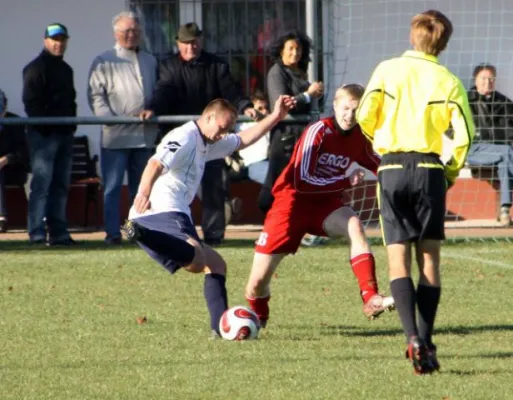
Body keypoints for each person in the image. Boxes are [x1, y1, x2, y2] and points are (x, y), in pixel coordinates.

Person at [356, 10, 475, 375]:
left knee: (397, 259)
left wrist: (384, 145)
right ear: (444, 42)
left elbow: (364, 115)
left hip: (391, 167)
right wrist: (450, 172)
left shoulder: (387, 70)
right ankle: (426, 340)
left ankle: (411, 337)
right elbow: (465, 136)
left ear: (412, 37)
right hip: (428, 170)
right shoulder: (448, 80)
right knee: (429, 261)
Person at [122, 95, 296, 337]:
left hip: (166, 214)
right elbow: (155, 164)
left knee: (216, 265)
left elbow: (243, 139)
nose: (224, 134)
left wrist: (276, 116)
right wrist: (143, 193)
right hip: (162, 210)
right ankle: (141, 233)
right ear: (209, 117)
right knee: (197, 261)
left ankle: (220, 329)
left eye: (228, 129)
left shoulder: (208, 141)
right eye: (222, 127)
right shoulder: (183, 137)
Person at [244, 84, 395, 331]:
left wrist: (403, 178)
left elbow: (378, 163)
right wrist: (346, 181)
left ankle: (371, 298)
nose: (350, 115)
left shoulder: (360, 136)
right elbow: (301, 181)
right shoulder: (318, 131)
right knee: (257, 283)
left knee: (354, 224)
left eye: (356, 110)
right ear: (335, 106)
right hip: (291, 204)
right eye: (345, 108)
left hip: (325, 204)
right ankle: (258, 318)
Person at [151, 22, 258, 246]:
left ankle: (214, 236)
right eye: (186, 43)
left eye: (195, 42)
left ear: (201, 41)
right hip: (180, 138)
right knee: (170, 188)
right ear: (178, 44)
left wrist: (245, 105)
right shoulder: (169, 67)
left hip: (209, 139)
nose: (191, 47)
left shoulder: (216, 65)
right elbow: (163, 92)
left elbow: (232, 91)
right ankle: (168, 233)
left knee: (213, 187)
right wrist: (152, 109)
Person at [88, 11, 158, 245]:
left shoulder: (150, 60)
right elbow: (96, 97)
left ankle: (135, 233)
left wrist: (153, 110)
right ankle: (112, 234)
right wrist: (111, 119)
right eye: (127, 31)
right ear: (116, 33)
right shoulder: (104, 60)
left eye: (136, 31)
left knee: (141, 190)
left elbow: (157, 93)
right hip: (116, 137)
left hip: (144, 137)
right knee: (112, 188)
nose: (132, 35)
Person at [22, 23, 77, 245]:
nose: (59, 43)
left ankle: (59, 232)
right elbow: (31, 103)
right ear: (45, 40)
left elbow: (70, 101)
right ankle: (36, 232)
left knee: (60, 185)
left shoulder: (66, 69)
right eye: (55, 39)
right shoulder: (34, 68)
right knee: (42, 186)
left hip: (64, 134)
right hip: (43, 136)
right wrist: (47, 127)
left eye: (62, 39)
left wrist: (70, 127)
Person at [259, 30, 324, 214]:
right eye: (291, 49)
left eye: (299, 49)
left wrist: (319, 95)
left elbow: (310, 103)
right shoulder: (277, 72)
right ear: (281, 50)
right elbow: (284, 104)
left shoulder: (300, 72)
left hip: (302, 134)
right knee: (277, 180)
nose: (295, 53)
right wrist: (308, 95)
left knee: (299, 180)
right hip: (284, 136)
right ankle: (269, 217)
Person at [466, 63, 513, 226]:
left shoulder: (504, 102)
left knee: (506, 160)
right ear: (476, 80)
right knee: (507, 153)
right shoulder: (465, 100)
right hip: (475, 150)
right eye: (484, 78)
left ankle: (505, 210)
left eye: (491, 78)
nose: (488, 82)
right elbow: (449, 126)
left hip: (501, 152)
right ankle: (505, 211)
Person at [0, 89, 29, 232]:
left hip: (14, 169)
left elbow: (23, 151)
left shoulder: (15, 122)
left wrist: (6, 159)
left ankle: (1, 217)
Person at [235, 90, 271, 185]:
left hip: (272, 162)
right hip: (254, 165)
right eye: (260, 108)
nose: (265, 111)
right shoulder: (243, 125)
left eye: (266, 108)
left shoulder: (271, 122)